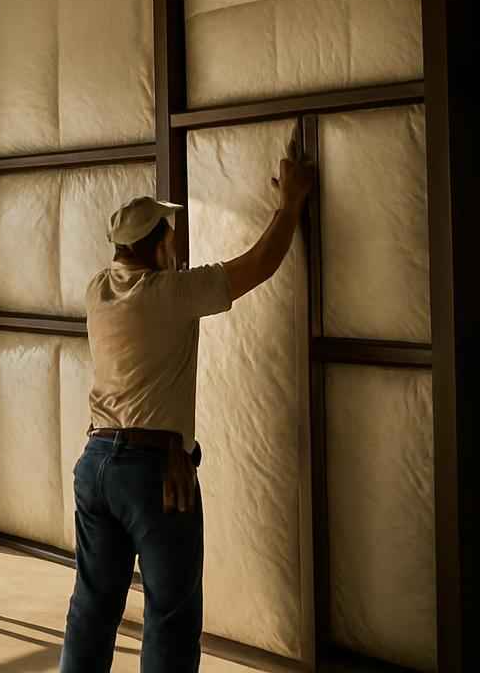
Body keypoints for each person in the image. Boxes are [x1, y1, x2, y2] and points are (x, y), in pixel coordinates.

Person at [59, 144, 316, 672]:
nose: (176, 250)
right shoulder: (169, 293)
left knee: (93, 603)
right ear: (155, 249)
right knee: (170, 614)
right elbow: (261, 263)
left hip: (95, 467)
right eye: (170, 241)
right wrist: (290, 205)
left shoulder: (97, 290)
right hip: (153, 476)